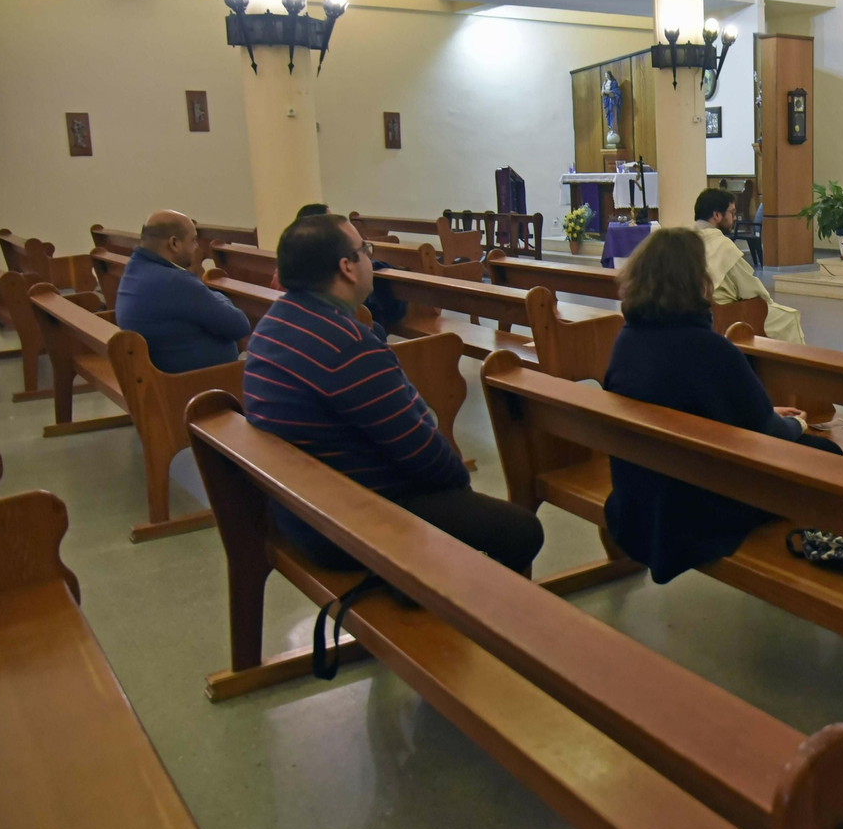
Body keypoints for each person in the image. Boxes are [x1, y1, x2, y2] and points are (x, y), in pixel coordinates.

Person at [244, 213, 543, 575]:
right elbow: (421, 452)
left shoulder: (274, 323)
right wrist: (459, 487)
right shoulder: (348, 345)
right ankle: (485, 621)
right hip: (351, 523)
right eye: (364, 250)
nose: (369, 258)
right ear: (347, 268)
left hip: (299, 508)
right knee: (522, 530)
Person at [602, 227, 840, 582]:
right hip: (698, 508)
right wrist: (798, 425)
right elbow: (766, 432)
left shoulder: (628, 340)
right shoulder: (710, 349)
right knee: (829, 457)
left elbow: (687, 401)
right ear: (697, 282)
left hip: (641, 495)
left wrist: (763, 411)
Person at [114, 210, 251, 373]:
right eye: (193, 240)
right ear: (174, 243)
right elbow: (239, 325)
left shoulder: (135, 270)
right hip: (196, 386)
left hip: (161, 376)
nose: (197, 247)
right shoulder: (174, 282)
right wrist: (219, 297)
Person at [692, 187, 805, 344]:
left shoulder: (682, 241)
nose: (735, 218)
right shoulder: (723, 246)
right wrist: (767, 300)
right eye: (732, 213)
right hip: (725, 314)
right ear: (717, 215)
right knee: (789, 317)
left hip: (692, 313)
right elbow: (750, 290)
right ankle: (791, 368)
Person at [287, 203, 407, 339]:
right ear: (346, 266)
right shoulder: (357, 338)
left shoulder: (285, 311)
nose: (367, 253)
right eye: (363, 249)